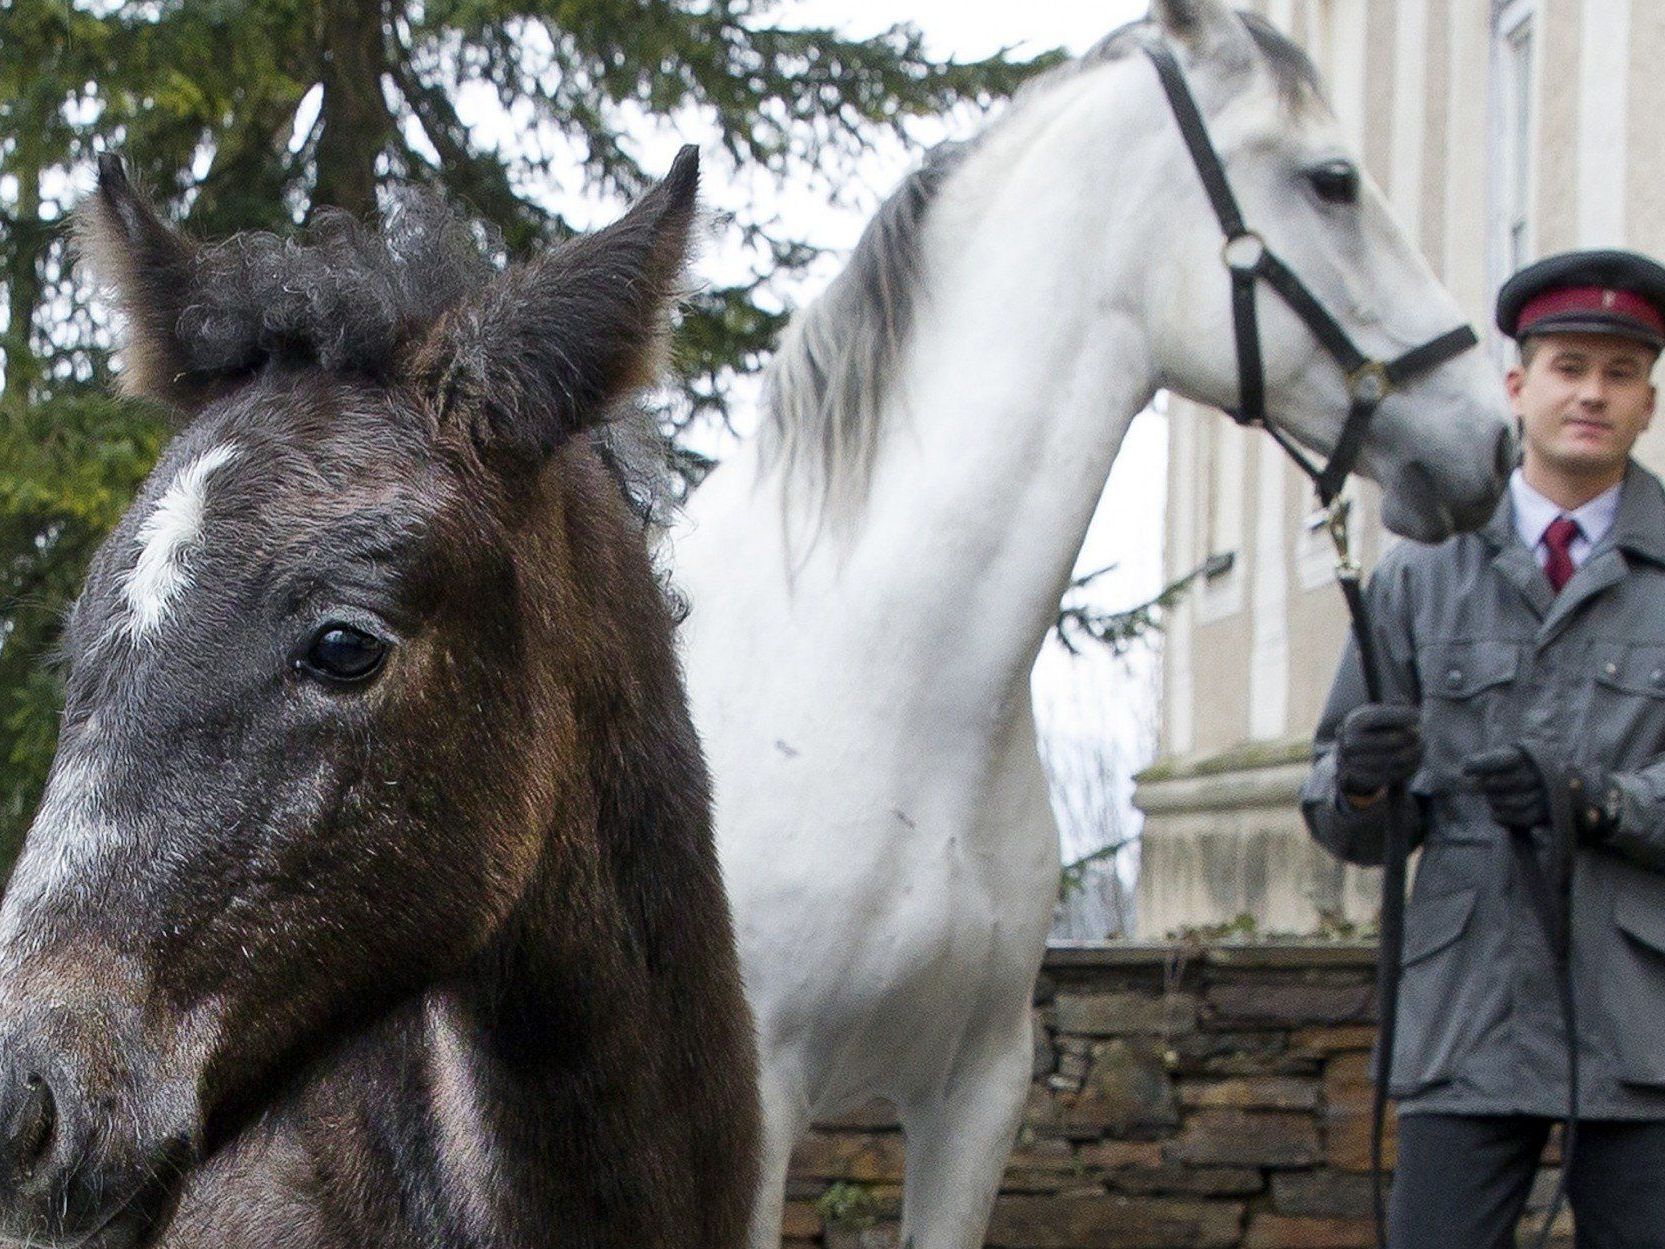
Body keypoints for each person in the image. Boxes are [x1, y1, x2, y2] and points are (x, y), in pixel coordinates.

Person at [1303, 248, 1665, 1248]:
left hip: (1642, 1023)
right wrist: (1367, 788)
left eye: (1622, 372)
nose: (1593, 392)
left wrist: (1595, 801)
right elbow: (1336, 798)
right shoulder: (1421, 571)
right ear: (1518, 385)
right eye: (1569, 366)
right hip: (1468, 1010)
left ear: (1648, 403)